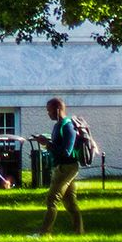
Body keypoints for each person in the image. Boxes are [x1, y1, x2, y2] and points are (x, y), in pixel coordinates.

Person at [35, 97, 96, 234]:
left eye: (49, 110)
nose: (48, 113)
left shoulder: (68, 126)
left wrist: (47, 144)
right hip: (61, 166)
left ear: (57, 109)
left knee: (52, 200)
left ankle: (44, 233)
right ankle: (79, 232)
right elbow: (58, 146)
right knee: (70, 202)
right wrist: (47, 141)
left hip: (67, 167)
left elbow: (66, 151)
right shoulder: (58, 125)